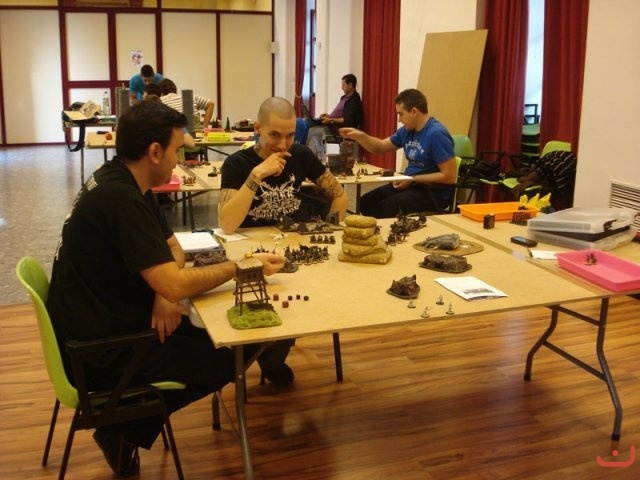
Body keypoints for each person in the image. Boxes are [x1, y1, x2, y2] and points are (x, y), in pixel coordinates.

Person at [46, 101, 288, 478]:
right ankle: (119, 430)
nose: (179, 161)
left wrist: (164, 291)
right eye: (176, 151)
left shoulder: (124, 180)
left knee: (214, 336)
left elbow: (173, 248)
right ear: (155, 151)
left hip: (109, 323)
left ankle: (123, 428)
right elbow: (175, 278)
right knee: (230, 350)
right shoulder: (120, 199)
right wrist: (243, 265)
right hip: (100, 353)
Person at [218, 96, 348, 234]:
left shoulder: (301, 155)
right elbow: (227, 226)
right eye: (275, 135)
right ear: (258, 128)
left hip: (293, 241)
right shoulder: (236, 163)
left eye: (290, 135)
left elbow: (340, 196)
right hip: (253, 244)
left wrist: (329, 231)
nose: (283, 145)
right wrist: (256, 175)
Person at [339, 88, 457, 218]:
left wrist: (412, 179)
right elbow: (380, 147)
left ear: (414, 111)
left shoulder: (437, 134)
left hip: (432, 191)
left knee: (385, 207)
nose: (399, 120)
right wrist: (360, 136)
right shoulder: (406, 131)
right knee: (366, 203)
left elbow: (449, 177)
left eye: (401, 114)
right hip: (411, 183)